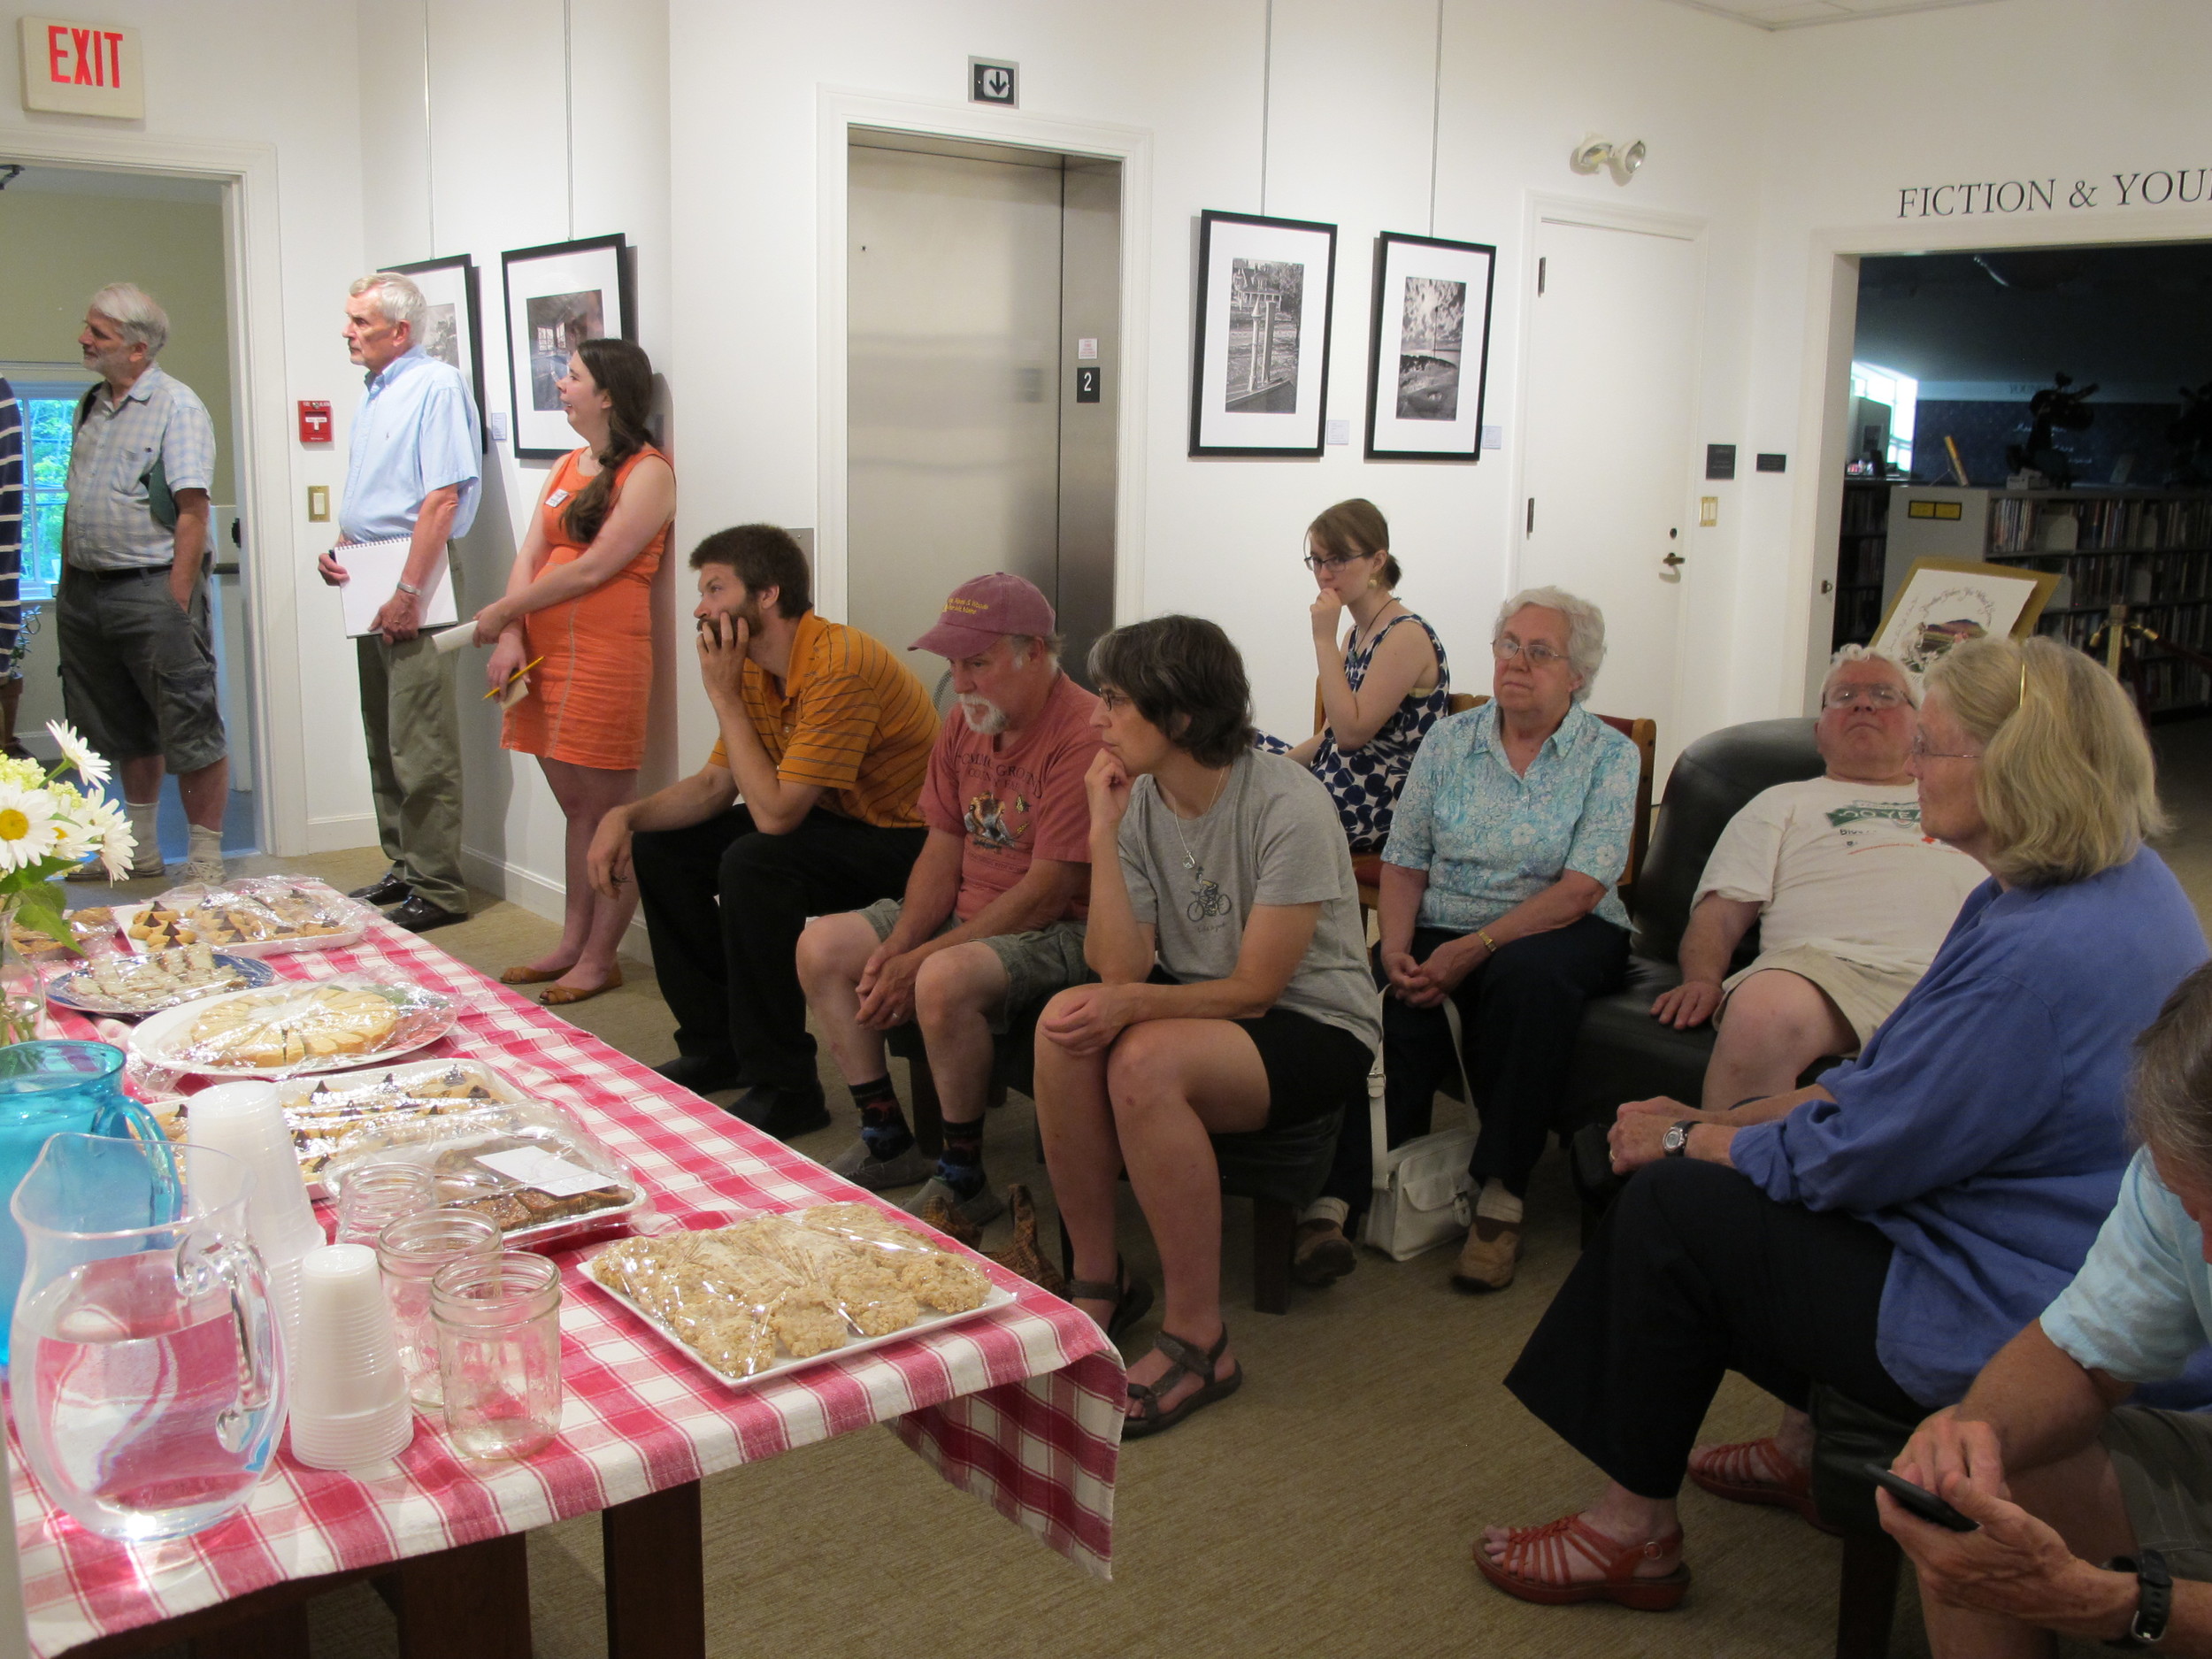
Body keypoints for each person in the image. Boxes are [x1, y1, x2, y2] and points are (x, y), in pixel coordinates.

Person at [1475, 635, 2208, 1614]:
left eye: (1932, 748)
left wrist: (1692, 1141)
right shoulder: (2106, 884)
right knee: (1714, 1171)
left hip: (2025, 1311)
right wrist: (1714, 1116)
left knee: (1671, 1213)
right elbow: (1882, 1085)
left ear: (2013, 769)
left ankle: (1629, 1535)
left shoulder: (2034, 961)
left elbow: (1856, 1160)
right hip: (2050, 1257)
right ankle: (1798, 1450)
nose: (1910, 766)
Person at [1034, 616, 1379, 1439]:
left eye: (1114, 701)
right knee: (1062, 1025)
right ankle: (1099, 1276)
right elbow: (1117, 965)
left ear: (1180, 717)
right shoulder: (1144, 800)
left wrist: (1131, 1005)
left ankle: (1200, 1338)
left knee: (1142, 1058)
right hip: (1203, 1006)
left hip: (1312, 1022)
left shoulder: (1287, 803)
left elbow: (1259, 989)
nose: (1096, 718)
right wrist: (1103, 831)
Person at [1878, 964, 2212, 1659]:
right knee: (1981, 1494)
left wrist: (2123, 1607)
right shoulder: (2179, 1159)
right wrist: (1980, 1434)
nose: (2205, 1249)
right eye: (2194, 1210)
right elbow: (2081, 1353)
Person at [1317, 587, 1636, 1293]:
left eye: (1540, 651)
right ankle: (1339, 1196)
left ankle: (1502, 1195)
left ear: (1578, 673)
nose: (1516, 662)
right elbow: (1404, 859)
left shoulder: (1609, 756)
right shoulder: (1450, 740)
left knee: (1529, 982)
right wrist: (1397, 945)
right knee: (1368, 990)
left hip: (1565, 925)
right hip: (1443, 916)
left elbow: (1583, 886)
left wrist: (1472, 948)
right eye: (1508, 645)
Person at [588, 525, 937, 1140]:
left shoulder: (839, 663)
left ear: (768, 594)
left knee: (756, 861)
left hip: (911, 839)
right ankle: (714, 1045)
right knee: (664, 848)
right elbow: (714, 787)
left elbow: (776, 816)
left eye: (715, 587)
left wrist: (721, 697)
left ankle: (787, 1086)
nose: (700, 607)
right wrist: (625, 816)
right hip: (834, 816)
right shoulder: (750, 665)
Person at [796, 573, 1099, 1226]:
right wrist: (901, 943)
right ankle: (886, 1138)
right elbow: (942, 846)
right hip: (976, 912)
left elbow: (1050, 891)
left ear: (1036, 652)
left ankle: (962, 1177)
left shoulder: (1083, 731)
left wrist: (924, 957)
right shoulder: (966, 722)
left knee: (939, 977)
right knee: (821, 944)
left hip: (1066, 929)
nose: (961, 682)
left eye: (979, 663)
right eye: (955, 664)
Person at [1650, 645, 1984, 1109]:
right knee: (1761, 1012)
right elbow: (1720, 916)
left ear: (1919, 725)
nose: (1863, 704)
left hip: (1958, 972)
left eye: (1885, 695)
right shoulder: (1779, 803)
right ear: (1818, 732)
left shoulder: (1963, 795)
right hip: (1822, 974)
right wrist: (1703, 978)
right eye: (1844, 695)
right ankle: (1727, 1170)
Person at [469, 338, 673, 1005]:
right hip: (542, 655)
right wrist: (509, 633)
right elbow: (531, 554)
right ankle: (571, 941)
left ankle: (600, 956)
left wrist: (500, 612)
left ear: (608, 394)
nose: (561, 383)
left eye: (574, 375)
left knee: (611, 810)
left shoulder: (649, 472)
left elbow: (594, 567)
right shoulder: (565, 463)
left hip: (608, 657)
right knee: (576, 808)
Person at [320, 271, 482, 933]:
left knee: (421, 740)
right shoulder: (379, 389)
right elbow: (378, 490)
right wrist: (341, 545)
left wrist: (409, 591)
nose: (347, 331)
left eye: (360, 321)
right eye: (350, 319)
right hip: (370, 568)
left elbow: (441, 497)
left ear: (400, 331)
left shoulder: (435, 385)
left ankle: (439, 886)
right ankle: (405, 865)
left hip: (415, 575)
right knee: (382, 734)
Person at [56, 284, 223, 884]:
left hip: (152, 590)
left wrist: (176, 601)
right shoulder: (90, 405)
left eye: (97, 333)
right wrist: (66, 583)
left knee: (190, 721)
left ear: (137, 347)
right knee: (121, 727)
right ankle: (138, 852)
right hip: (87, 592)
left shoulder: (178, 407)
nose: (84, 339)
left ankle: (205, 861)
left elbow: (192, 511)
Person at [1263, 498, 1449, 851]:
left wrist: (1322, 638)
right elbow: (1329, 734)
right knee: (1236, 747)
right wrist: (1269, 769)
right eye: (1317, 560)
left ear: (1377, 561)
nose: (1324, 573)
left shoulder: (1405, 634)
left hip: (1379, 796)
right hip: (1338, 773)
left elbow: (1349, 735)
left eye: (1338, 560)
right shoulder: (1355, 634)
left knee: (1262, 814)